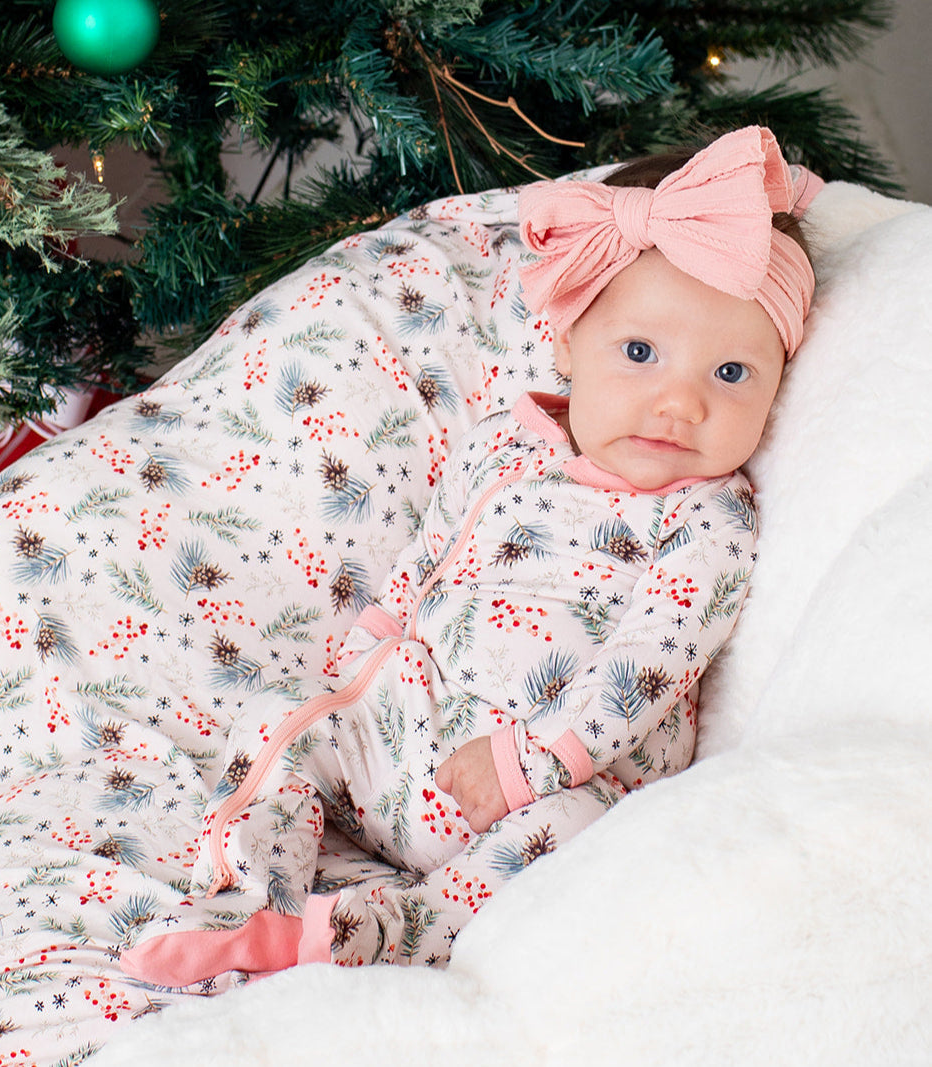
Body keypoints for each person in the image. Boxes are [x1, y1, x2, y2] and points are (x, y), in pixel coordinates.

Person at [120, 125, 818, 986]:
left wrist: (535, 762)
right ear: (566, 345)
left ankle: (396, 927)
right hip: (409, 731)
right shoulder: (505, 443)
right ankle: (253, 889)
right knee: (282, 715)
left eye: (731, 374)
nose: (677, 403)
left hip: (549, 773)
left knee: (588, 829)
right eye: (639, 353)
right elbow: (430, 555)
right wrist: (370, 654)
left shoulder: (707, 513)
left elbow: (653, 658)